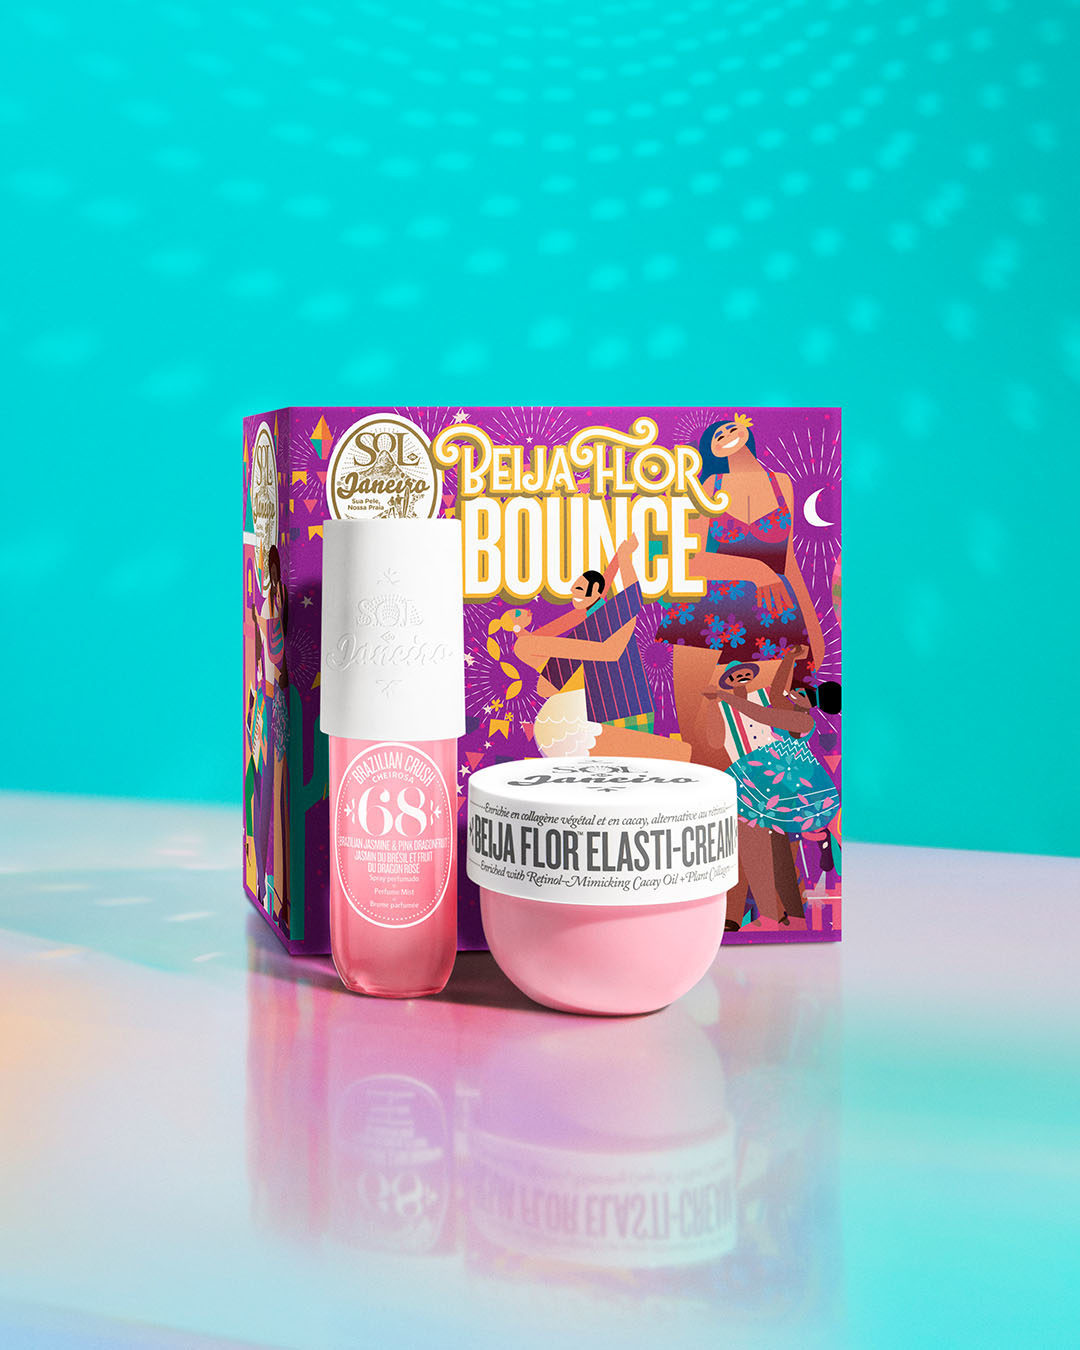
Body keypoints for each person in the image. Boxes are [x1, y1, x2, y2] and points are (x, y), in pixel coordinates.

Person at [656, 413, 825, 764]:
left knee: (765, 726)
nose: (725, 432)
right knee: (697, 729)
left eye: (730, 426)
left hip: (773, 613)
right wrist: (755, 570)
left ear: (747, 430)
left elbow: (788, 560)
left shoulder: (783, 484)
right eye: (716, 435)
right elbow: (689, 559)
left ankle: (757, 799)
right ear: (711, 450)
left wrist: (812, 626)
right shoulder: (709, 486)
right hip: (706, 612)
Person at [513, 537, 690, 761]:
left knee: (650, 762)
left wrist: (624, 557)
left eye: (579, 587)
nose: (572, 590)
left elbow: (629, 606)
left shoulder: (615, 614)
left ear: (597, 591)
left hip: (626, 706)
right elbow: (546, 686)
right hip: (597, 711)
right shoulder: (586, 626)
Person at [703, 650, 839, 931]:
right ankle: (790, 916)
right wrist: (790, 659)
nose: (792, 694)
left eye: (799, 694)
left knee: (772, 849)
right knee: (776, 853)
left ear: (807, 703)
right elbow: (777, 691)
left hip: (785, 789)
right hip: (769, 788)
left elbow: (761, 714)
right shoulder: (788, 715)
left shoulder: (803, 721)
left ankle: (790, 910)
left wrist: (723, 696)